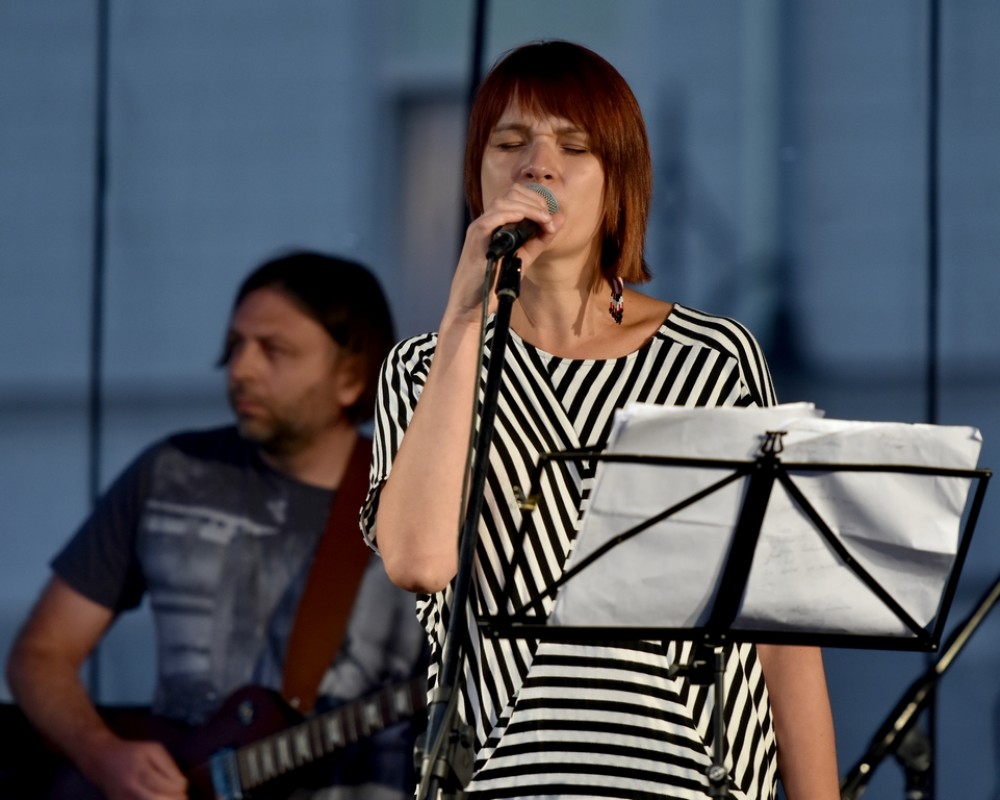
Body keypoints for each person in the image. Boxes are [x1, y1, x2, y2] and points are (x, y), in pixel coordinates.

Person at [361, 40, 840, 799]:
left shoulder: (713, 359)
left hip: (692, 777)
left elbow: (782, 625)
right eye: (510, 143)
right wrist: (464, 320)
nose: (538, 166)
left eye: (574, 146)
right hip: (506, 779)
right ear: (477, 175)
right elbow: (418, 561)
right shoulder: (424, 368)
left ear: (619, 178)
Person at [6, 250, 426, 800]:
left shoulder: (418, 504)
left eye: (273, 350)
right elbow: (41, 655)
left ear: (350, 377)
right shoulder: (172, 474)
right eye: (234, 347)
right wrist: (101, 754)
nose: (241, 369)